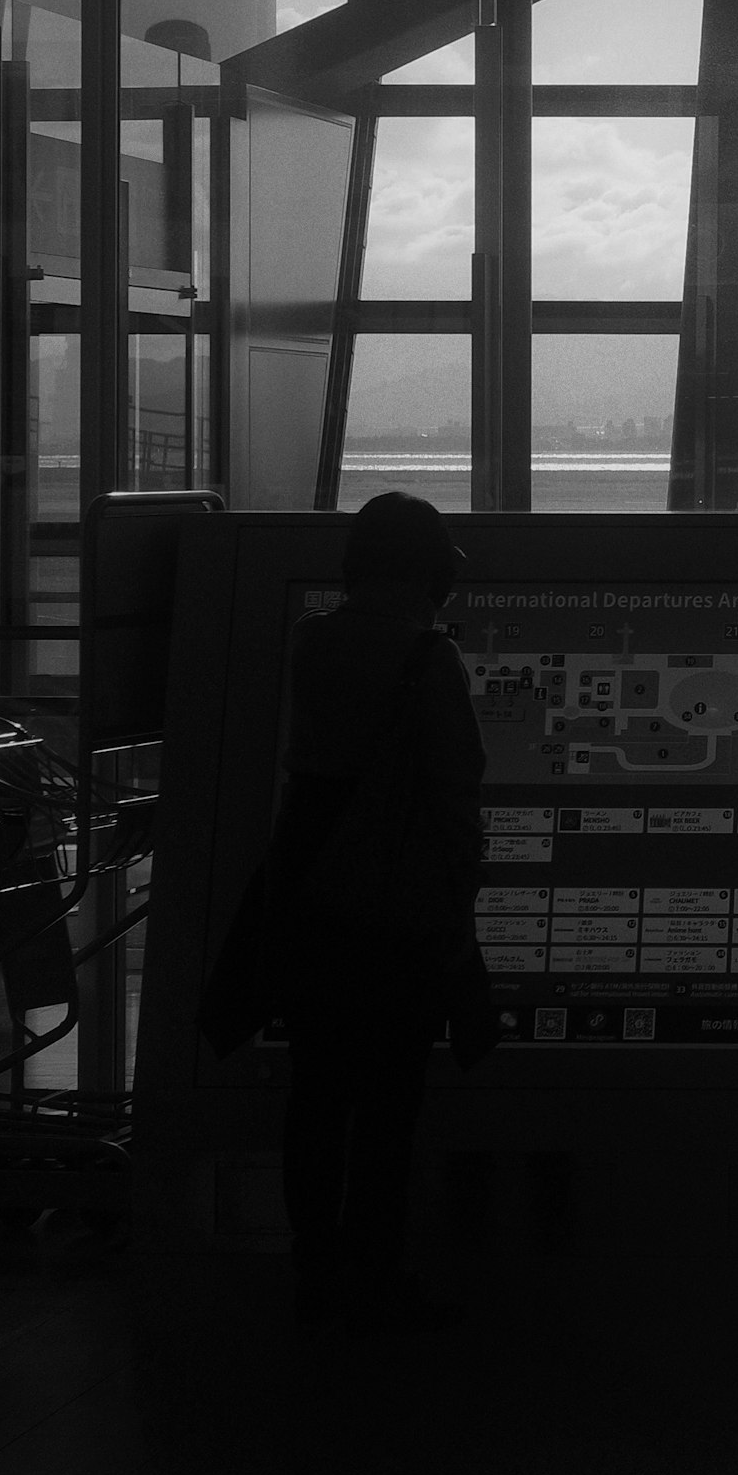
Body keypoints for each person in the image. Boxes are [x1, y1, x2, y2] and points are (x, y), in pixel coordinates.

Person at [270, 491, 499, 1331]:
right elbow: (454, 795)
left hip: (316, 904)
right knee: (390, 1103)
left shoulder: (312, 643)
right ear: (430, 572)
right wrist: (459, 910)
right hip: (397, 914)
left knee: (319, 1094)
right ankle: (374, 1266)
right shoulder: (429, 663)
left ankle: (313, 1260)